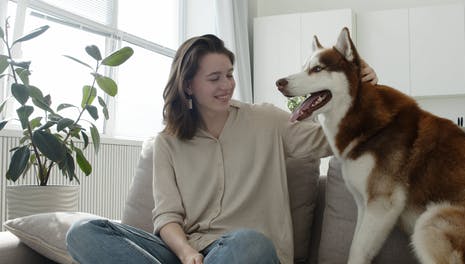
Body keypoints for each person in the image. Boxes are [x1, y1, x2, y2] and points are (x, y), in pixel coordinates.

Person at [66, 34, 378, 264]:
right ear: (188, 85)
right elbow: (167, 217)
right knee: (83, 232)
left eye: (229, 74)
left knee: (249, 242)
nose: (227, 84)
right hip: (187, 255)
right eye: (214, 78)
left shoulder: (266, 120)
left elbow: (331, 140)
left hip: (244, 253)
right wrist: (187, 252)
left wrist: (364, 93)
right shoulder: (166, 143)